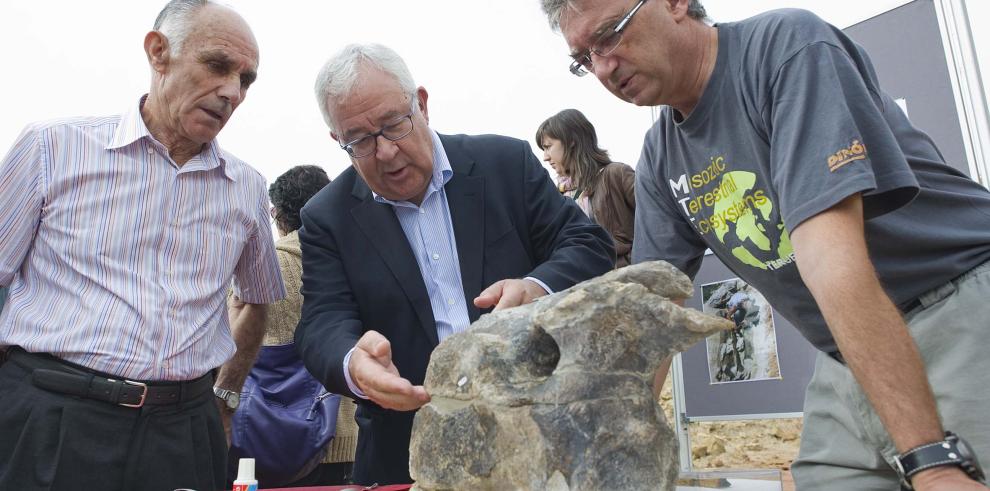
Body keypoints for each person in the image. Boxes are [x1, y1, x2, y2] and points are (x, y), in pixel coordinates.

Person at [541, 1, 990, 490]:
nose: (604, 67)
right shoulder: (660, 157)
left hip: (956, 308)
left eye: (611, 34)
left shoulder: (784, 48)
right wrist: (613, 455)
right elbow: (652, 316)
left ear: (674, 4)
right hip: (846, 355)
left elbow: (830, 256)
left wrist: (932, 460)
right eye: (585, 57)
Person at [295, 43, 615, 485]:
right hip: (408, 448)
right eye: (361, 141)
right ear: (338, 141)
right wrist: (354, 362)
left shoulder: (505, 164)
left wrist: (536, 286)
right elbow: (320, 322)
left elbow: (588, 245)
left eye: (394, 125)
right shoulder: (327, 217)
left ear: (421, 104)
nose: (385, 152)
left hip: (540, 433)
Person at [0, 1, 285, 490]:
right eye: (218, 66)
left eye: (246, 80)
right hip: (53, 416)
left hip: (183, 432)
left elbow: (258, 301)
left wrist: (226, 395)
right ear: (158, 52)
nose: (232, 92)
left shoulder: (246, 187)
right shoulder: (53, 149)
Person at [248, 165, 359, 485]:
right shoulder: (354, 259)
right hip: (351, 435)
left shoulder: (267, 265)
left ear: (278, 213)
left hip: (280, 439)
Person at [536, 108, 636, 267]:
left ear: (571, 141)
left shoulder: (617, 174)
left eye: (548, 146)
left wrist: (635, 262)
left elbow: (657, 219)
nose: (545, 157)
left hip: (630, 279)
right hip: (583, 282)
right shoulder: (558, 194)